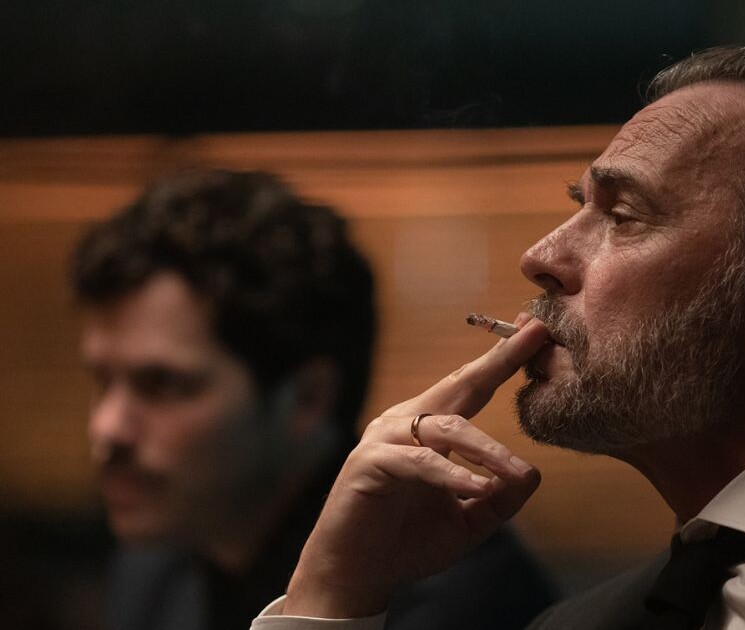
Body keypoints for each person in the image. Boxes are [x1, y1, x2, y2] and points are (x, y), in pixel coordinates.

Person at [255, 43, 745, 629]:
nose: (540, 257)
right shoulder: (579, 627)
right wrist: (335, 595)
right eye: (579, 207)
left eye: (623, 216)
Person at [71, 169, 556, 630]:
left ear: (307, 398)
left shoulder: (457, 596)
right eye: (102, 380)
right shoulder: (156, 568)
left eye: (162, 384)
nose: (107, 428)